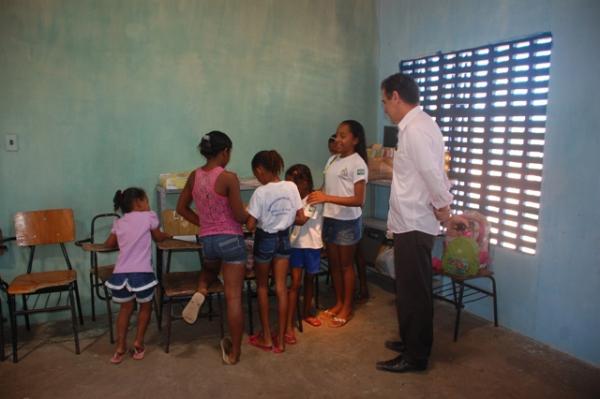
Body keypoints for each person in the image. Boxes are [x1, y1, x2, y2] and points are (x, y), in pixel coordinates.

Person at [376, 73, 452, 373]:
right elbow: (430, 171)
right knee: (409, 289)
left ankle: (416, 355)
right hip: (412, 220)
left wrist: (443, 205)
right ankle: (412, 341)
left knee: (413, 292)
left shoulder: (416, 130)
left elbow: (433, 174)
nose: (384, 108)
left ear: (396, 97)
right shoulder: (418, 126)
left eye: (385, 102)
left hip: (415, 222)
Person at [176, 131, 249, 365]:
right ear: (225, 151)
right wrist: (250, 214)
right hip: (230, 239)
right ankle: (234, 353)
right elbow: (238, 215)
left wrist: (205, 223)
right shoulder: (228, 177)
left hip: (208, 240)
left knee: (210, 269)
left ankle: (202, 290)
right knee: (234, 297)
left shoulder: (193, 177)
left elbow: (182, 208)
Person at [308, 120, 368, 328]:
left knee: (345, 266)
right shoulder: (332, 160)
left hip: (347, 221)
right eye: (337, 135)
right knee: (334, 265)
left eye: (343, 135)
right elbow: (326, 188)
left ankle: (347, 308)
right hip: (330, 218)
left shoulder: (358, 164)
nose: (338, 139)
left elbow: (358, 200)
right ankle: (339, 302)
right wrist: (313, 196)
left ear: (355, 139)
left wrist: (326, 198)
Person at [103, 187, 171, 364]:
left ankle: (120, 346)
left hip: (120, 274)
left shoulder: (120, 222)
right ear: (138, 202)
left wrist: (125, 242)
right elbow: (158, 237)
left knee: (125, 309)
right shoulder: (149, 216)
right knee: (145, 308)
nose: (148, 204)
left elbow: (109, 244)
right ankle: (139, 343)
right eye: (147, 201)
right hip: (142, 273)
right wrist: (168, 234)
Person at [246, 150, 303, 353]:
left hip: (266, 239)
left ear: (260, 170)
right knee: (281, 286)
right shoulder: (291, 186)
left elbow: (251, 224)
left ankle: (267, 338)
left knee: (261, 286)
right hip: (284, 239)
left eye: (256, 173)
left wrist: (249, 214)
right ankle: (281, 341)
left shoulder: (260, 193)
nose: (257, 177)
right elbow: (301, 216)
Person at [284, 164, 324, 344]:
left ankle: (307, 312)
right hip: (296, 246)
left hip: (313, 245)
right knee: (295, 284)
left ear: (305, 182)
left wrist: (281, 213)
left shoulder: (314, 199)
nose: (291, 188)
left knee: (310, 280)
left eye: (293, 183)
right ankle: (289, 326)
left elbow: (301, 220)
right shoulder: (292, 200)